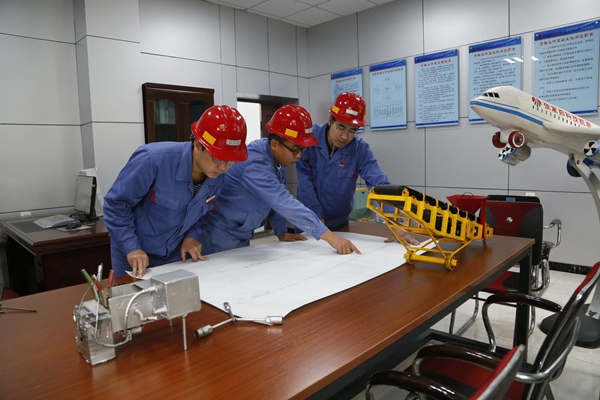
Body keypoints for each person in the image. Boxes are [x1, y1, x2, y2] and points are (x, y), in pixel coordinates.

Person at [104, 105, 248, 277]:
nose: (223, 167)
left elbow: (202, 214)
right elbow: (116, 205)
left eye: (230, 161)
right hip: (135, 254)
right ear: (198, 145)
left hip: (173, 254)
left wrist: (191, 236)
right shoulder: (153, 160)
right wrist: (131, 247)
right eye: (218, 158)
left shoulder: (216, 177)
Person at [200, 104, 361, 255]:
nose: (299, 156)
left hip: (241, 232)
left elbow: (272, 200)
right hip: (218, 233)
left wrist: (281, 231)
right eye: (295, 150)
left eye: (302, 150)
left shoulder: (276, 160)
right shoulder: (256, 164)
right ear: (275, 144)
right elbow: (281, 201)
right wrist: (330, 237)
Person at [295, 93, 419, 245]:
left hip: (339, 222)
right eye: (341, 127)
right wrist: (317, 219)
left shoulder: (360, 149)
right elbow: (305, 183)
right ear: (330, 120)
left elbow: (378, 184)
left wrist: (394, 219)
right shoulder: (309, 140)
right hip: (309, 219)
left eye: (352, 131)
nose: (345, 136)